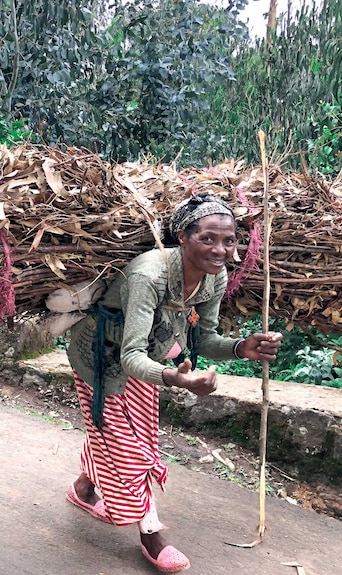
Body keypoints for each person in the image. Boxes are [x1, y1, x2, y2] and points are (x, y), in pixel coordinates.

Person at [64, 193, 282, 573]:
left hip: (154, 357)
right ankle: (150, 534)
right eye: (208, 238)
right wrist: (175, 379)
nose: (221, 250)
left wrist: (241, 348)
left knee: (124, 434)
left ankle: (84, 487)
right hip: (101, 356)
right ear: (182, 236)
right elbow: (130, 355)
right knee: (132, 447)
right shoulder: (149, 275)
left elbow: (206, 339)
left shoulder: (215, 277)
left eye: (229, 240)